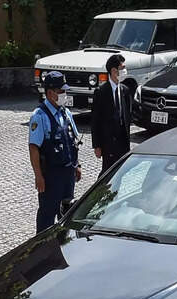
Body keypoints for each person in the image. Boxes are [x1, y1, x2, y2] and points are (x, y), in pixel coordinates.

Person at [29, 71, 82, 233]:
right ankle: (42, 249)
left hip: (68, 172)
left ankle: (64, 243)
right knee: (47, 214)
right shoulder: (40, 116)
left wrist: (77, 165)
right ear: (50, 93)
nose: (64, 94)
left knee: (67, 212)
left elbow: (74, 139)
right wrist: (38, 176)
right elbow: (34, 148)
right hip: (51, 175)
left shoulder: (65, 112)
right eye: (61, 91)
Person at [91, 54, 132, 177]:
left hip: (123, 141)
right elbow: (95, 120)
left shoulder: (125, 90)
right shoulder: (101, 92)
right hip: (108, 142)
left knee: (121, 173)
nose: (124, 71)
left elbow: (127, 115)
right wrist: (97, 145)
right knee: (107, 173)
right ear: (114, 71)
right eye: (122, 68)